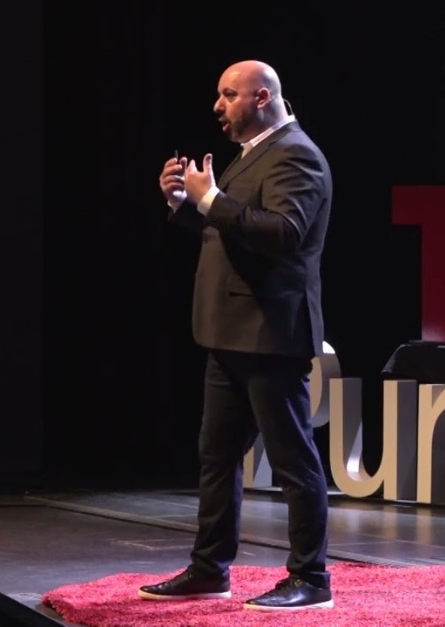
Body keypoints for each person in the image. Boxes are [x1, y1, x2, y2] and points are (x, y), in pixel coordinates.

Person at [140, 60, 334, 612]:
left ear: (263, 97)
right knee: (217, 456)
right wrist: (186, 205)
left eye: (229, 95)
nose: (218, 106)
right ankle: (210, 569)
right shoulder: (255, 153)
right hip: (230, 334)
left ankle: (311, 578)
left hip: (270, 334)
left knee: (294, 462)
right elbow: (231, 232)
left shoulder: (296, 154)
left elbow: (284, 234)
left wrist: (211, 200)